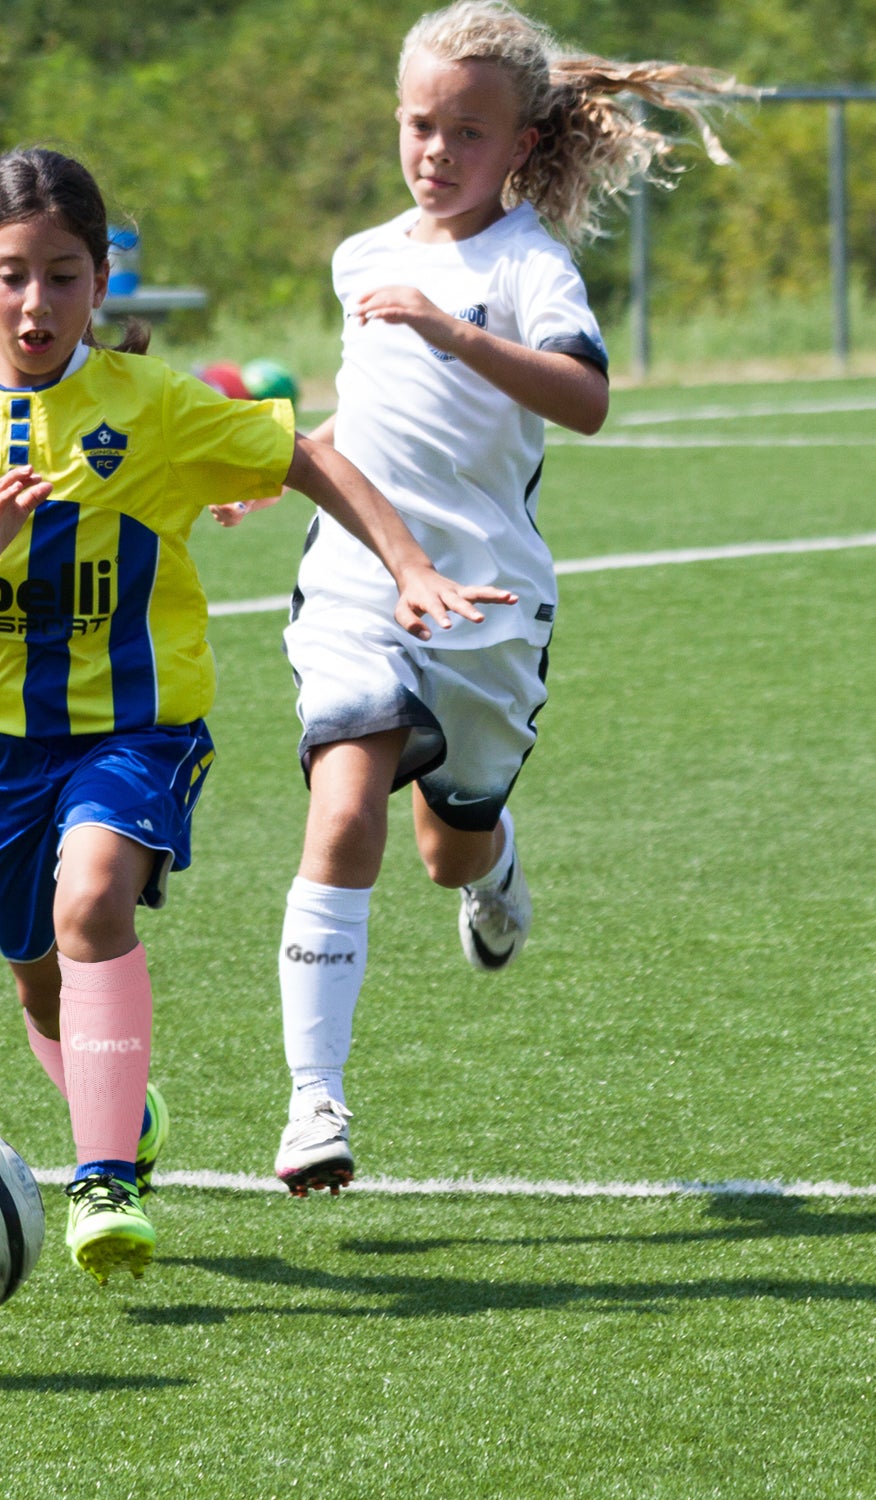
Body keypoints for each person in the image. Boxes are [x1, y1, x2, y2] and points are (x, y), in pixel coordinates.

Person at [0, 147, 512, 1287]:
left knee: (92, 898)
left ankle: (104, 1177)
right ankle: (124, 1111)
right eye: (12, 275)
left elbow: (300, 457)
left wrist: (405, 564)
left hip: (137, 726)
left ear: (101, 281)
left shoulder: (148, 408)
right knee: (37, 979)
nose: (36, 302)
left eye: (63, 275)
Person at [212, 0, 746, 1197]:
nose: (436, 151)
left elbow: (585, 398)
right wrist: (279, 468)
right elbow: (379, 414)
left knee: (446, 852)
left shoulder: (527, 267)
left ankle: (497, 877)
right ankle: (314, 1102)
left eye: (465, 132)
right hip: (360, 576)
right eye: (418, 125)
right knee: (342, 798)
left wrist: (455, 330)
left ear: (520, 147)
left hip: (490, 604)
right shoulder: (364, 255)